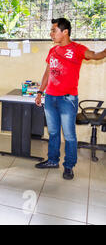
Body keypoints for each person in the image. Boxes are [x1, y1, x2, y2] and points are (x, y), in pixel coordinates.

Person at [34, 18, 106, 180]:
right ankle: (52, 160)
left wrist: (104, 52)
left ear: (65, 32)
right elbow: (47, 73)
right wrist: (40, 92)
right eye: (51, 30)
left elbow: (95, 55)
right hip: (51, 97)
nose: (51, 33)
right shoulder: (52, 51)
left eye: (54, 30)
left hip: (67, 100)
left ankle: (68, 166)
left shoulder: (77, 49)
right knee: (53, 132)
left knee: (69, 135)